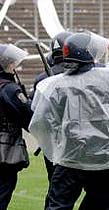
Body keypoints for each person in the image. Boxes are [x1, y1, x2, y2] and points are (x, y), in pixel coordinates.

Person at [29, 32, 109, 210]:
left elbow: (42, 121)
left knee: (58, 205)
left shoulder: (53, 84)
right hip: (100, 156)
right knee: (108, 203)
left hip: (69, 156)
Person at [32, 31, 73, 209]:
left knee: (55, 186)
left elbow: (35, 112)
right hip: (75, 141)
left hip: (51, 141)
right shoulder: (78, 74)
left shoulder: (41, 79)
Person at [0, 44, 33, 210]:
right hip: (5, 152)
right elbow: (29, 117)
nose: (14, 66)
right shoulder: (10, 89)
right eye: (11, 63)